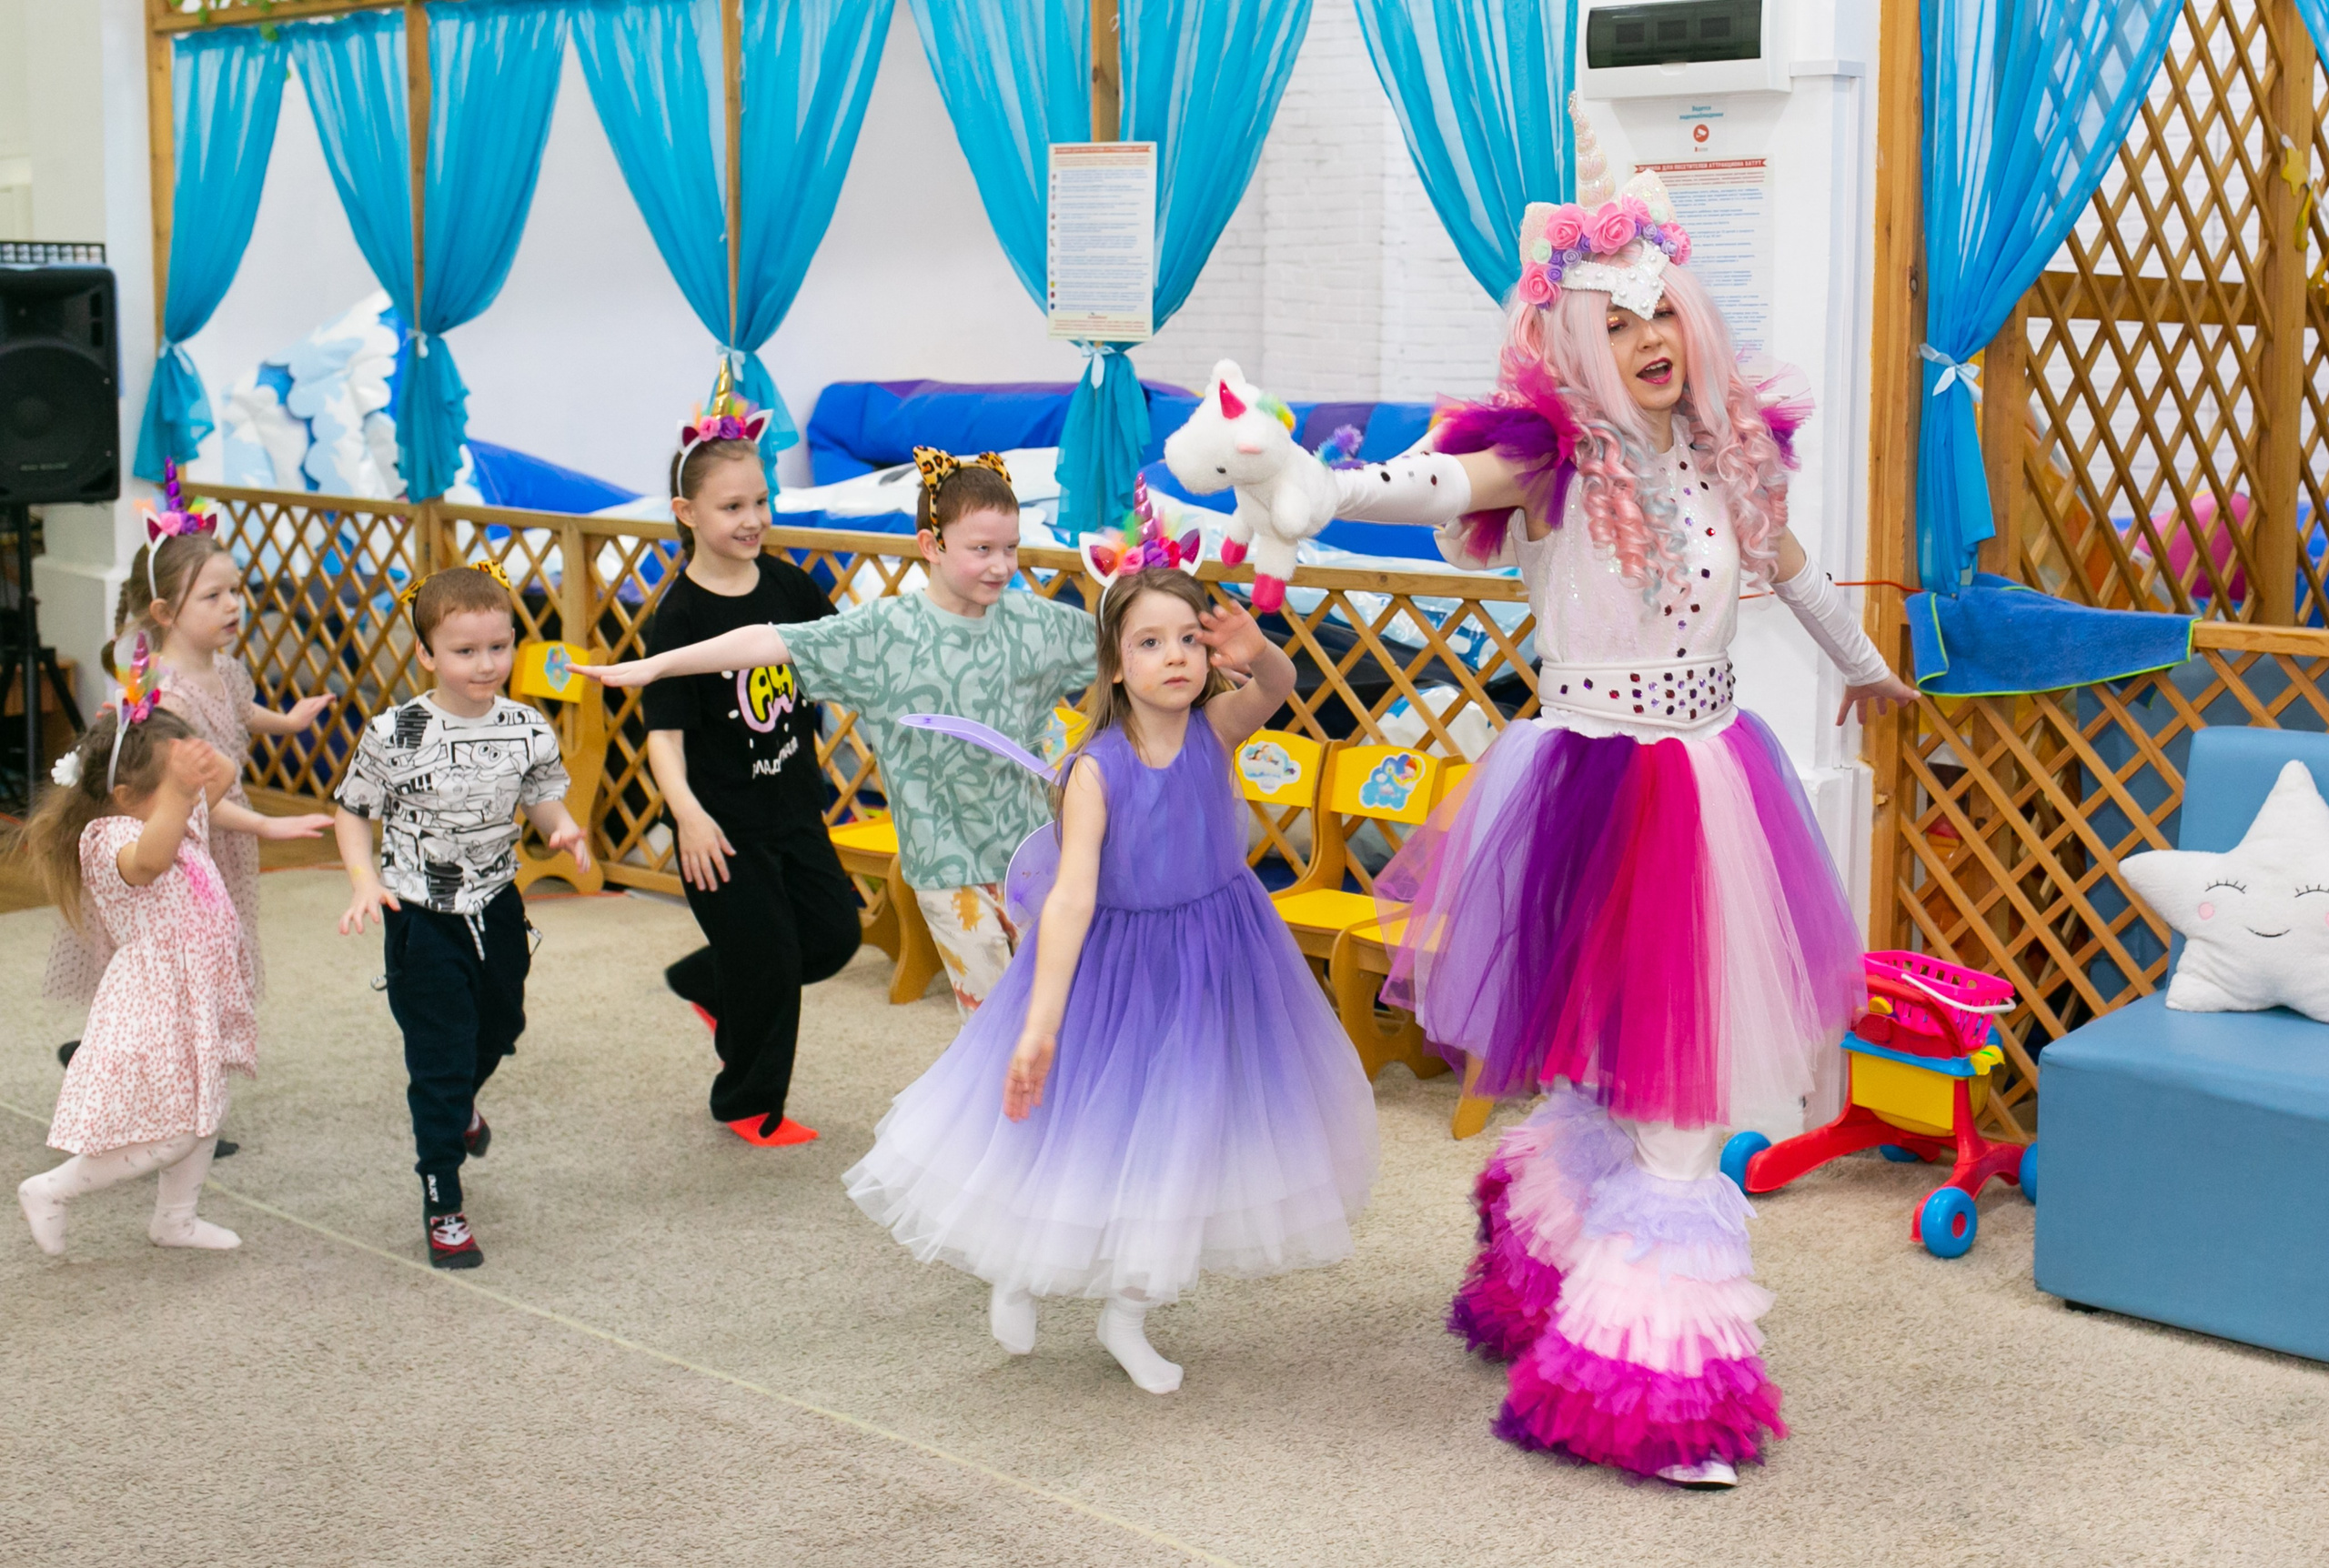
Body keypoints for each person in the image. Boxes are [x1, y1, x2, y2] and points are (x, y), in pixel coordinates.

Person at [1235, 97, 1917, 1485]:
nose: (1652, 340)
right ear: (1569, 341)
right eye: (1618, 321)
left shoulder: (1729, 454)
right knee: (1668, 1110)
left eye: (1664, 310)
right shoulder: (1555, 458)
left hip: (1715, 785)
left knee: (1646, 1073)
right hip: (1589, 789)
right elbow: (1447, 476)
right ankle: (1644, 1394)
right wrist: (1316, 488)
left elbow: (1786, 571)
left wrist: (1865, 668)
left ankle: (1549, 1274)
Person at [837, 562, 1380, 1395]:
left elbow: (1278, 681)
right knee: (1079, 1138)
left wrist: (1252, 643)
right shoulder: (1095, 769)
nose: (1176, 658)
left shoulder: (1217, 729)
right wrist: (1041, 1024)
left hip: (1218, 957)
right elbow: (1069, 901)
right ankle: (1020, 1268)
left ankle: (1125, 1312)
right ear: (1115, 665)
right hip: (1117, 972)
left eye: (1190, 641)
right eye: (1150, 642)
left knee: (1188, 1137)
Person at [586, 445, 1098, 1023]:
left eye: (1010, 547)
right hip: (946, 866)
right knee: (994, 1026)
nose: (1001, 565)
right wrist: (660, 664)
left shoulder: (1039, 624)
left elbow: (1123, 645)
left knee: (1055, 1010)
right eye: (981, 549)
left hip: (1029, 855)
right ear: (933, 546)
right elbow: (768, 641)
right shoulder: (886, 633)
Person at [44, 477, 334, 1149]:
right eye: (215, 595)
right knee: (174, 980)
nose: (234, 605)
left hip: (214, 856)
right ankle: (179, 1105)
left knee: (195, 974)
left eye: (237, 591)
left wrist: (285, 721)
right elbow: (193, 799)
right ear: (165, 611)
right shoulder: (163, 695)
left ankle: (134, 1068)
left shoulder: (221, 667)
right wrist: (261, 823)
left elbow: (240, 710)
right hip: (177, 852)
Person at [618, 389, 861, 1148]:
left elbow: (843, 657)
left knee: (831, 939)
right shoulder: (680, 617)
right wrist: (686, 813)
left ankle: (705, 982)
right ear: (687, 514)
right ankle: (748, 1104)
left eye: (760, 500)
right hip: (718, 826)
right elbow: (665, 732)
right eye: (731, 507)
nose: (752, 518)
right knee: (771, 961)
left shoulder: (790, 586)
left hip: (794, 810)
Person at [332, 563, 590, 1269]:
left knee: (502, 1024)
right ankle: (443, 1195)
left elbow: (541, 794)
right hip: (422, 913)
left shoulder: (526, 725)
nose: (486, 665)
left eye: (499, 647)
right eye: (465, 651)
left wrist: (561, 827)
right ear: (426, 654)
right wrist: (362, 881)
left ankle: (462, 1105)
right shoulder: (396, 731)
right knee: (440, 1057)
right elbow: (354, 812)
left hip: (497, 902)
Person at [14, 665, 255, 1256]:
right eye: (172, 782)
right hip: (155, 1000)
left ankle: (176, 1219)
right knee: (172, 1131)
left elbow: (223, 774)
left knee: (206, 1109)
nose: (189, 789)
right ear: (126, 796)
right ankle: (50, 1189)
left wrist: (192, 754)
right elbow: (147, 863)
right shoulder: (109, 839)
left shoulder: (179, 817)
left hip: (198, 992)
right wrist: (177, 791)